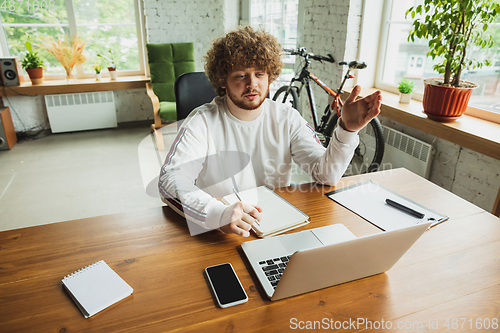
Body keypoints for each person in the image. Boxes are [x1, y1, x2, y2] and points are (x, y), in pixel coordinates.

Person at [158, 26, 381, 237]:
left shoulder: (287, 117)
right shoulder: (202, 121)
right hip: (220, 233)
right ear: (223, 80)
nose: (252, 84)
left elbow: (326, 174)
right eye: (240, 75)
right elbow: (171, 180)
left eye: (259, 74)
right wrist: (216, 213)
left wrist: (347, 130)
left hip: (275, 225)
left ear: (270, 76)